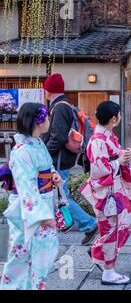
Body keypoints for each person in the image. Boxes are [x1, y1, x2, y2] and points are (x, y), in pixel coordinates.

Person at [0, 103, 61, 290]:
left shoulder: (37, 144)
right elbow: (27, 186)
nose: (49, 121)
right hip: (28, 208)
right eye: (47, 118)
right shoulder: (22, 150)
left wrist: (52, 174)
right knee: (21, 252)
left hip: (40, 203)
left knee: (43, 252)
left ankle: (34, 285)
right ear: (38, 122)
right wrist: (42, 215)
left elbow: (45, 167)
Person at [80, 101, 131, 285]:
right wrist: (118, 160)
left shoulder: (107, 136)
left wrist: (124, 155)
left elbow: (114, 156)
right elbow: (98, 169)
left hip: (113, 189)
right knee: (111, 229)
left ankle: (98, 252)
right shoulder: (98, 140)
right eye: (118, 114)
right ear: (114, 118)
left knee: (125, 224)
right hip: (106, 191)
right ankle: (108, 272)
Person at [41, 73, 98, 245]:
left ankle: (90, 225)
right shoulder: (65, 104)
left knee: (61, 196)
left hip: (58, 159)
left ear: (48, 90)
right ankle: (87, 225)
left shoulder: (59, 108)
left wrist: (43, 153)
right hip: (64, 158)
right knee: (59, 196)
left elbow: (57, 137)